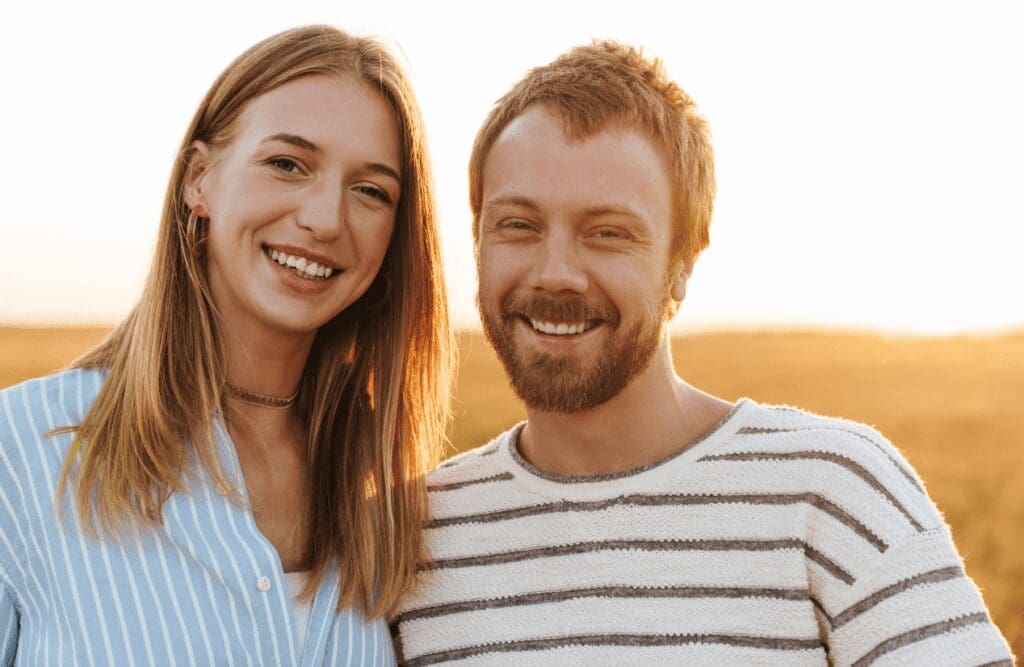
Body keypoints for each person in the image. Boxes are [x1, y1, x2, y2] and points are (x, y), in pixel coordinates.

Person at [390, 41, 1013, 665]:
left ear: (682, 265)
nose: (556, 274)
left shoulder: (834, 492)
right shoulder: (410, 541)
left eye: (608, 233)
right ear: (476, 241)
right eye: (519, 225)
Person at [0, 25, 452, 665]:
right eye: (287, 164)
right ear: (199, 181)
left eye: (370, 190)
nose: (325, 219)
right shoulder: (21, 454)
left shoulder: (392, 495)